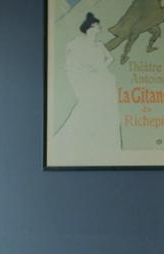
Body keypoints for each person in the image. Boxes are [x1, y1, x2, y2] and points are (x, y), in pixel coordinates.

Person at [52, 12, 122, 164]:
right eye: (96, 26)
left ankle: (106, 146)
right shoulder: (77, 43)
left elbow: (111, 58)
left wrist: (101, 68)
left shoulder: (99, 45)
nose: (99, 28)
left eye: (98, 26)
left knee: (106, 110)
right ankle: (82, 143)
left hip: (105, 79)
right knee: (89, 108)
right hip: (90, 81)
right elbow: (70, 63)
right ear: (88, 28)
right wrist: (88, 71)